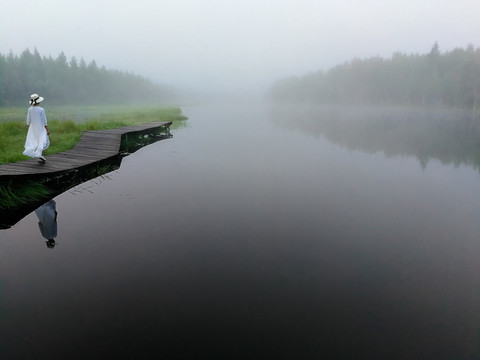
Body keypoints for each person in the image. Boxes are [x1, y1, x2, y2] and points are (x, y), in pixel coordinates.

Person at [23, 93, 50, 162]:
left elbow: (28, 121)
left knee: (35, 140)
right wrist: (47, 129)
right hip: (41, 128)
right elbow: (44, 121)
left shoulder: (30, 109)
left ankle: (39, 156)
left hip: (33, 128)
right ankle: (39, 155)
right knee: (42, 140)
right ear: (39, 101)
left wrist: (31, 126)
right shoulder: (41, 110)